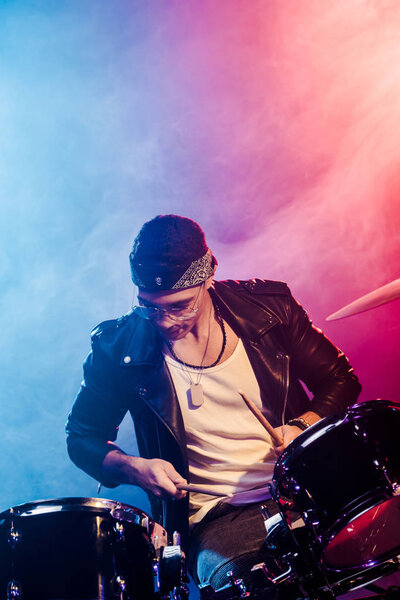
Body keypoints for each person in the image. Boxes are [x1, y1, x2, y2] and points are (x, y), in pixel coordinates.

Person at [66, 214, 361, 597]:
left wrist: (303, 426)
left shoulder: (269, 309)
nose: (165, 321)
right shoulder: (117, 348)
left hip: (302, 488)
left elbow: (341, 378)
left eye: (180, 306)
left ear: (208, 276)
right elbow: (81, 437)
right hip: (217, 516)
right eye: (149, 307)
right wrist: (134, 467)